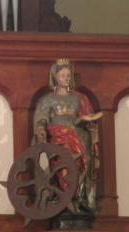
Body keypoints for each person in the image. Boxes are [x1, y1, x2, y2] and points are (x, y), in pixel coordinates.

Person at [33, 58, 101, 214]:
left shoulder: (80, 98)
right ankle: (64, 198)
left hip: (80, 135)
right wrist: (41, 129)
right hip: (59, 138)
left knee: (84, 162)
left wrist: (90, 123)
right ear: (55, 77)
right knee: (63, 166)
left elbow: (88, 115)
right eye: (62, 75)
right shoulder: (48, 99)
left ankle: (80, 198)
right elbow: (41, 118)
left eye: (68, 76)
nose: (66, 79)